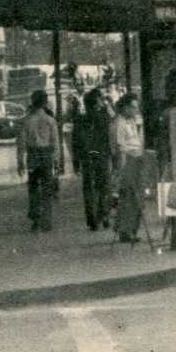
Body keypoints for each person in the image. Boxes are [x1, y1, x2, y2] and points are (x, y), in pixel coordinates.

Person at [74, 86, 114, 231]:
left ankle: (92, 219)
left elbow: (75, 141)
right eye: (100, 99)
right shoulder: (103, 117)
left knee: (89, 188)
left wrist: (75, 162)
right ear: (97, 102)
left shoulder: (79, 119)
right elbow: (111, 134)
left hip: (86, 156)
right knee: (104, 186)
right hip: (102, 155)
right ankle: (104, 215)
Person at [111, 92, 149, 244]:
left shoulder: (133, 121)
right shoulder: (119, 123)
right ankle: (124, 230)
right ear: (125, 107)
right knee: (128, 196)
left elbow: (138, 140)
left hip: (138, 158)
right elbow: (120, 147)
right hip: (128, 160)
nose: (136, 110)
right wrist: (122, 168)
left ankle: (133, 228)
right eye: (133, 107)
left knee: (138, 197)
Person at [20, 88, 60, 231]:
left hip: (33, 156)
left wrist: (20, 161)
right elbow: (55, 142)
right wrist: (57, 160)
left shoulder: (26, 121)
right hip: (47, 155)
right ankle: (46, 220)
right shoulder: (50, 120)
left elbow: (22, 144)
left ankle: (35, 219)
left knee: (33, 187)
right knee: (47, 188)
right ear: (45, 103)